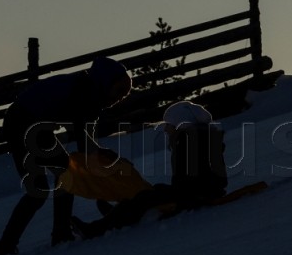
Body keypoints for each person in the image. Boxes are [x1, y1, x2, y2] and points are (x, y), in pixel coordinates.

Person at [0, 57, 132, 255]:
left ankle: (47, 236)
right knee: (46, 185)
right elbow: (84, 145)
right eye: (119, 91)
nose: (120, 98)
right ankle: (22, 243)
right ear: (105, 83)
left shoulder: (90, 90)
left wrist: (99, 155)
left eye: (125, 94)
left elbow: (86, 142)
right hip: (22, 123)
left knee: (60, 176)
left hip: (29, 123)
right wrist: (103, 168)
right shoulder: (86, 94)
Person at [69, 100, 228, 239]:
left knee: (144, 198)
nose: (165, 130)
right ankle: (117, 214)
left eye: (168, 125)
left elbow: (188, 181)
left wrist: (180, 196)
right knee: (150, 193)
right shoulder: (201, 137)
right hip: (201, 192)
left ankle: (97, 228)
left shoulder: (189, 141)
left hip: (195, 196)